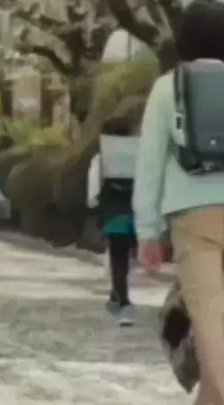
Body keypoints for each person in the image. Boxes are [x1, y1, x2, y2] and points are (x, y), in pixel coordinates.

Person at [132, 0, 224, 405]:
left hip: (195, 211)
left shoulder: (169, 86)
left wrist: (148, 231)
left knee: (206, 317)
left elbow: (150, 163)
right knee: (219, 311)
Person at [87, 117, 138, 326]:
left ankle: (124, 302)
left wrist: (94, 204)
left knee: (118, 257)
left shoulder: (101, 158)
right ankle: (116, 295)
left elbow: (93, 192)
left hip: (113, 214)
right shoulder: (139, 154)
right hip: (137, 214)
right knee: (127, 257)